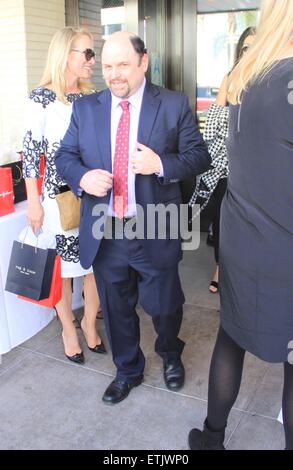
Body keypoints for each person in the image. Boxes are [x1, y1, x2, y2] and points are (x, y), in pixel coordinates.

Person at [55, 31, 211, 404]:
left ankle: (170, 354)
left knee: (165, 304)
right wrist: (82, 177)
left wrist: (160, 164)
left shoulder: (172, 104)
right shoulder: (86, 108)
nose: (114, 74)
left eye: (123, 64)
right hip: (105, 228)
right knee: (116, 307)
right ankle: (127, 370)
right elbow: (65, 156)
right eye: (107, 66)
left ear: (144, 62)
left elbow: (199, 156)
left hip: (155, 224)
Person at [188, 0, 293, 450]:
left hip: (243, 238)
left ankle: (212, 439)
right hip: (285, 245)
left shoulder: (243, 79)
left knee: (230, 337)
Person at [23, 27, 106, 365]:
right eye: (86, 53)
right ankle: (68, 328)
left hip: (94, 198)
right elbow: (30, 153)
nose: (92, 60)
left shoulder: (93, 96)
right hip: (59, 200)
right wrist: (32, 201)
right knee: (63, 268)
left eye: (92, 53)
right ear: (65, 55)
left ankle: (89, 321)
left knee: (95, 266)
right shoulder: (41, 98)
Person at [189, 27, 256, 294]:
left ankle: (244, 274)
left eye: (256, 46)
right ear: (239, 50)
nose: (250, 52)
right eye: (246, 47)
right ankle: (220, 268)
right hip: (227, 168)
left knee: (251, 226)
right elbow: (214, 124)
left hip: (257, 170)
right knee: (222, 221)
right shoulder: (232, 77)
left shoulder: (270, 79)